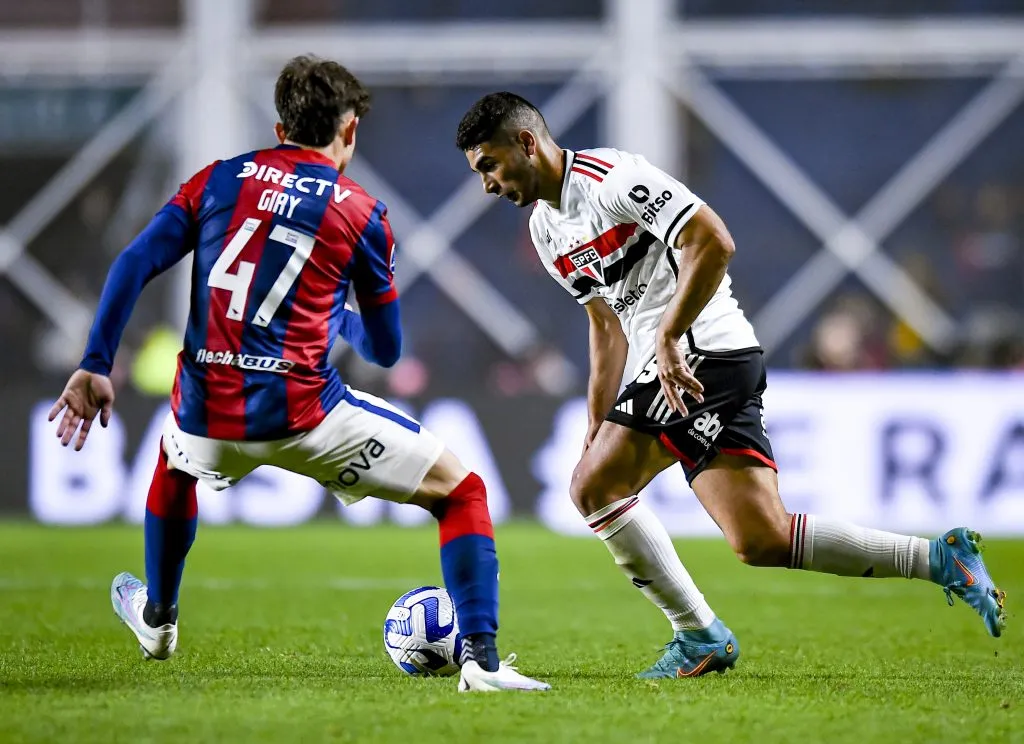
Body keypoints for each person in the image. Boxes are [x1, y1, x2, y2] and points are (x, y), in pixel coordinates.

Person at [455, 91, 1006, 679]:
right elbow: (605, 326)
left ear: (526, 143)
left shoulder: (615, 178)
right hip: (680, 367)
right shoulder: (547, 230)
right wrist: (597, 419)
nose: (487, 184)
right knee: (762, 539)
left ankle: (698, 635)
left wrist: (668, 337)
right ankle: (941, 559)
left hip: (701, 356)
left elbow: (713, 240)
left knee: (593, 490)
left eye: (488, 165)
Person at [47, 58, 549, 693]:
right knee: (463, 491)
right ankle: (480, 659)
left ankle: (158, 619)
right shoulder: (361, 212)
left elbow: (135, 260)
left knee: (175, 464)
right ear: (352, 130)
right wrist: (340, 316)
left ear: (282, 125)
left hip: (204, 413)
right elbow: (388, 349)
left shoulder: (218, 180)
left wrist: (95, 362)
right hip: (303, 418)